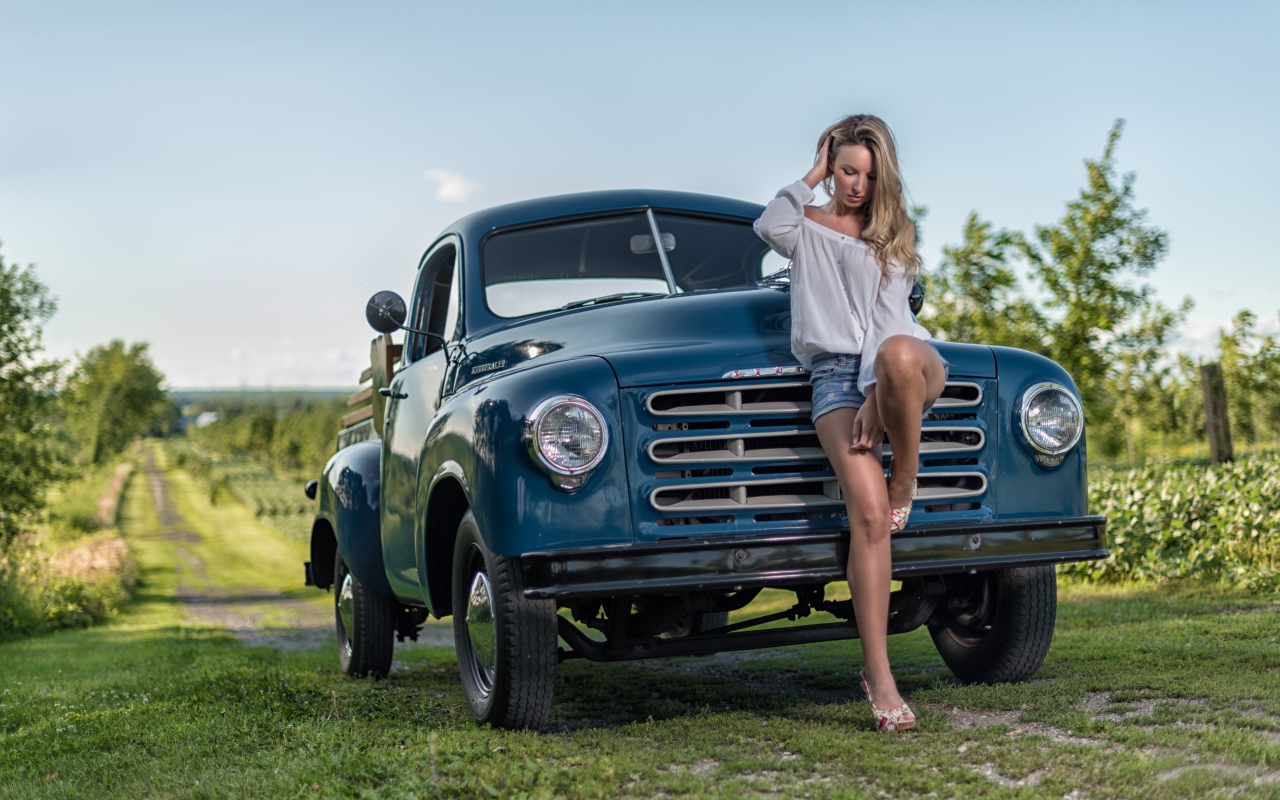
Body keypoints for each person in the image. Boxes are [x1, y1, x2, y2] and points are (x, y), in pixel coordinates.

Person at [753, 114, 948, 732]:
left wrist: (876, 393)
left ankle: (906, 480)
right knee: (866, 518)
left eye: (868, 173)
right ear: (831, 167)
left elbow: (894, 320)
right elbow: (768, 224)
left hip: (904, 364)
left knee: (895, 354)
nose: (857, 186)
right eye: (845, 171)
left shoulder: (892, 232)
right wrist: (812, 171)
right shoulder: (805, 229)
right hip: (833, 377)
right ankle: (879, 675)